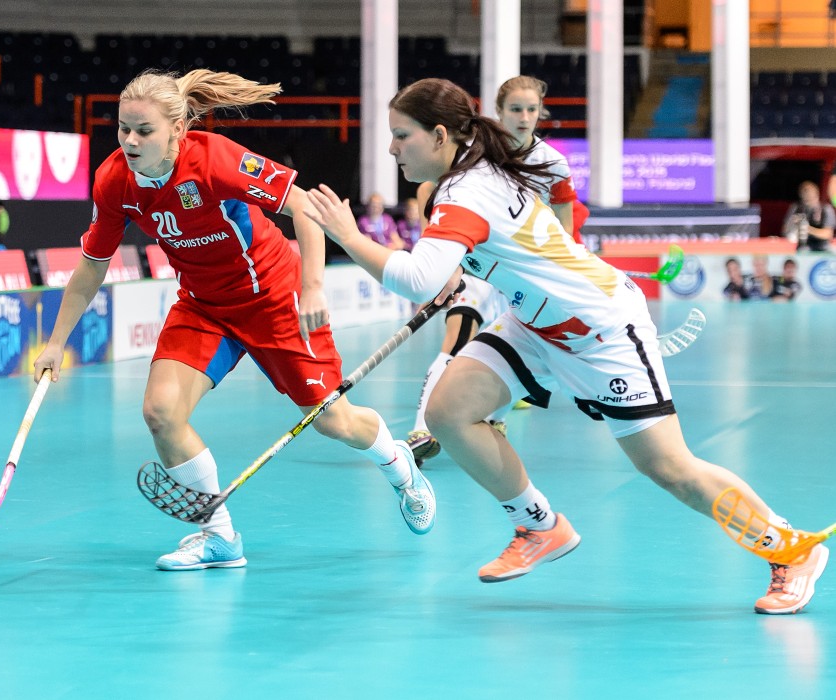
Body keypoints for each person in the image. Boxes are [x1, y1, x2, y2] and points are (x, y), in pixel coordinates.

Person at [305, 77, 826, 614]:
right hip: (534, 324)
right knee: (447, 411)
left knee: (670, 467)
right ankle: (539, 527)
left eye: (401, 135)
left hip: (599, 330)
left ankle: (791, 548)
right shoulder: (475, 172)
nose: (392, 148)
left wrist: (348, 234)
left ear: (439, 135)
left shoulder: (465, 192)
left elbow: (417, 278)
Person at [32, 69, 436, 572]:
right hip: (203, 305)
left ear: (177, 130)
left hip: (273, 297)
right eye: (123, 129)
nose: (130, 141)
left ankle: (399, 466)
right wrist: (55, 343)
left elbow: (304, 207)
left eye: (144, 131)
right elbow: (93, 263)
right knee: (161, 412)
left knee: (334, 420)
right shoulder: (114, 180)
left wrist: (312, 285)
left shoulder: (214, 159)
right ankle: (219, 538)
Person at [405, 76, 584, 465]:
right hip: (478, 267)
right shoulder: (477, 150)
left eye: (531, 109)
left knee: (516, 351)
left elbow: (565, 230)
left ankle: (494, 420)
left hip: (526, 278)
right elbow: (428, 191)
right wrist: (440, 253)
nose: (524, 117)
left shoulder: (553, 164)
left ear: (541, 112)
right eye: (515, 109)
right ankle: (421, 430)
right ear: (498, 112)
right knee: (457, 340)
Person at [784, 180, 834, 252]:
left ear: (817, 194)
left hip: (823, 246)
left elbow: (827, 234)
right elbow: (785, 230)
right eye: (804, 196)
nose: (808, 198)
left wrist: (806, 228)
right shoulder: (796, 208)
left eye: (810, 196)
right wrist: (793, 225)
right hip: (802, 246)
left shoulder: (826, 209)